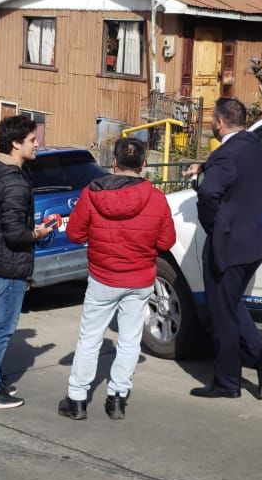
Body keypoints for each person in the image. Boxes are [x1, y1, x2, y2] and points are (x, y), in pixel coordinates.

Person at [58, 137, 175, 421]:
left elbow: (74, 233)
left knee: (90, 338)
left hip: (102, 277)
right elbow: (167, 240)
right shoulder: (157, 199)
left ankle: (76, 399)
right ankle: (117, 399)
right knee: (130, 339)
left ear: (114, 163)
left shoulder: (91, 193)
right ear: (144, 165)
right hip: (139, 279)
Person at [182, 98, 262, 399]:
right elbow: (231, 165)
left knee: (221, 314)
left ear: (220, 123)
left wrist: (212, 223)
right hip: (252, 245)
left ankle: (228, 382)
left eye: (212, 119)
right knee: (230, 302)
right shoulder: (252, 145)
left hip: (228, 245)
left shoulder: (226, 155)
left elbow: (211, 192)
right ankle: (261, 356)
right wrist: (205, 165)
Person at [0, 114, 53, 409]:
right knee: (1, 328)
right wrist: (39, 231)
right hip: (6, 265)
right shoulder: (14, 182)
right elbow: (16, 233)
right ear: (15, 144)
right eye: (32, 140)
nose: (38, 144)